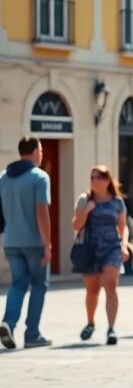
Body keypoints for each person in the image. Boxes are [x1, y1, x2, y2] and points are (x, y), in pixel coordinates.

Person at [0, 136, 52, 349]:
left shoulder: (3, 177)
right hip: (34, 242)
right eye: (40, 150)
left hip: (11, 240)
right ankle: (32, 334)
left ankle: (8, 323)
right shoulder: (39, 177)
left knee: (18, 283)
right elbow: (42, 212)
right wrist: (47, 244)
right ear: (33, 152)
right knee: (39, 285)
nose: (42, 154)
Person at [72, 166, 130, 346]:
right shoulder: (85, 199)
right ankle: (90, 323)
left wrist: (124, 245)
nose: (95, 180)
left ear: (107, 180)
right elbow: (76, 225)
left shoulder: (117, 202)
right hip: (90, 249)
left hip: (111, 247)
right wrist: (87, 210)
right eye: (92, 177)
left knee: (111, 285)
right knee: (92, 290)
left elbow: (123, 226)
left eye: (99, 177)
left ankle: (111, 328)